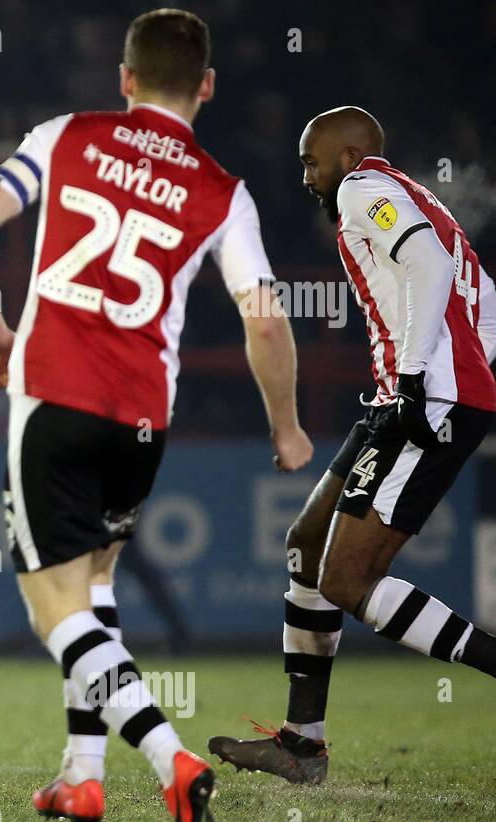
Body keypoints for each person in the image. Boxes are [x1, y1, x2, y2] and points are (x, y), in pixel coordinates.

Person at [0, 8, 312, 822]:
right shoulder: (225, 193)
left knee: (54, 610)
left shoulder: (66, 135)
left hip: (54, 400)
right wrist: (287, 428)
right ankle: (82, 775)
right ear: (208, 88)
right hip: (143, 420)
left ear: (125, 79)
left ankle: (170, 758)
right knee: (96, 582)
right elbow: (265, 323)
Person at [210, 107, 496, 784]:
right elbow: (482, 298)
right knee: (308, 545)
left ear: (346, 155)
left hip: (422, 397)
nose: (305, 175)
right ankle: (301, 745)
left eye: (311, 161)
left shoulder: (365, 189)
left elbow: (424, 263)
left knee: (344, 580)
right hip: (405, 397)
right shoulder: (415, 197)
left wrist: (424, 376)